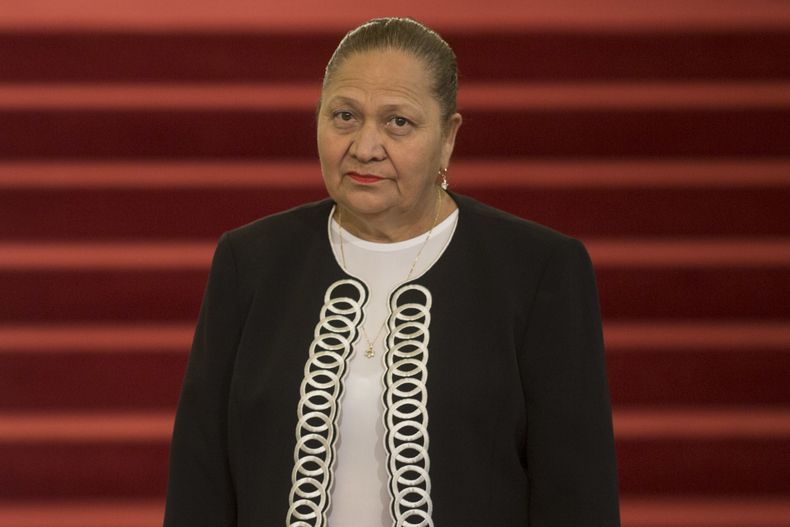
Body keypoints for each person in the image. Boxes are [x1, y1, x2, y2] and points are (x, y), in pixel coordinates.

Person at [163, 17, 620, 527]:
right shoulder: (249, 262)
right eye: (344, 116)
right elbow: (199, 481)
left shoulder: (539, 272)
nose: (364, 146)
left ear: (448, 137)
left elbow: (578, 498)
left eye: (398, 122)